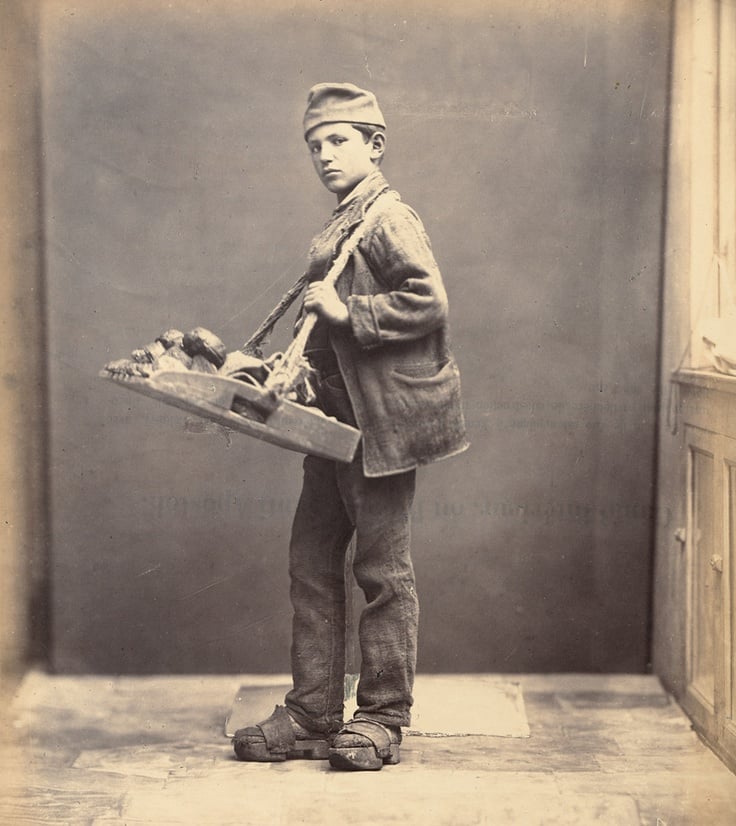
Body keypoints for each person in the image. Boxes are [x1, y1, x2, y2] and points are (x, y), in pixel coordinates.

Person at [232, 82, 468, 771]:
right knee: (311, 563)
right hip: (330, 427)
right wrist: (274, 365)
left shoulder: (389, 218)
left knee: (383, 573)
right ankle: (312, 709)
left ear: (375, 145)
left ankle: (384, 717)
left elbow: (427, 300)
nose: (324, 155)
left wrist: (349, 314)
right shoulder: (340, 222)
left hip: (381, 431)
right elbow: (317, 330)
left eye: (338, 140)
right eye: (314, 144)